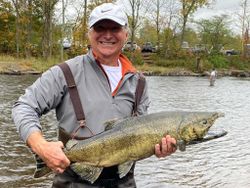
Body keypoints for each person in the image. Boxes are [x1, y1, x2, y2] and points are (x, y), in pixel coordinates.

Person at [12, 3, 176, 188]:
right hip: (72, 181)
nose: (107, 35)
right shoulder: (64, 72)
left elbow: (141, 133)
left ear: (126, 35)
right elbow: (24, 106)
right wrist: (40, 146)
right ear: (89, 34)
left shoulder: (139, 82)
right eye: (100, 28)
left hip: (125, 182)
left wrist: (158, 148)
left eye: (115, 28)